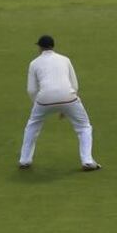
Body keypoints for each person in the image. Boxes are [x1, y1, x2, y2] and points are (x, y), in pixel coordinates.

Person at [18, 35, 101, 171]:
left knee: (32, 126)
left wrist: (37, 104)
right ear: (53, 46)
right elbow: (74, 85)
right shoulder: (65, 59)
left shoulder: (34, 63)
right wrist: (65, 108)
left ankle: (24, 160)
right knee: (84, 127)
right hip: (69, 97)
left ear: (39, 47)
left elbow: (31, 89)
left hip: (44, 100)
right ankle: (87, 160)